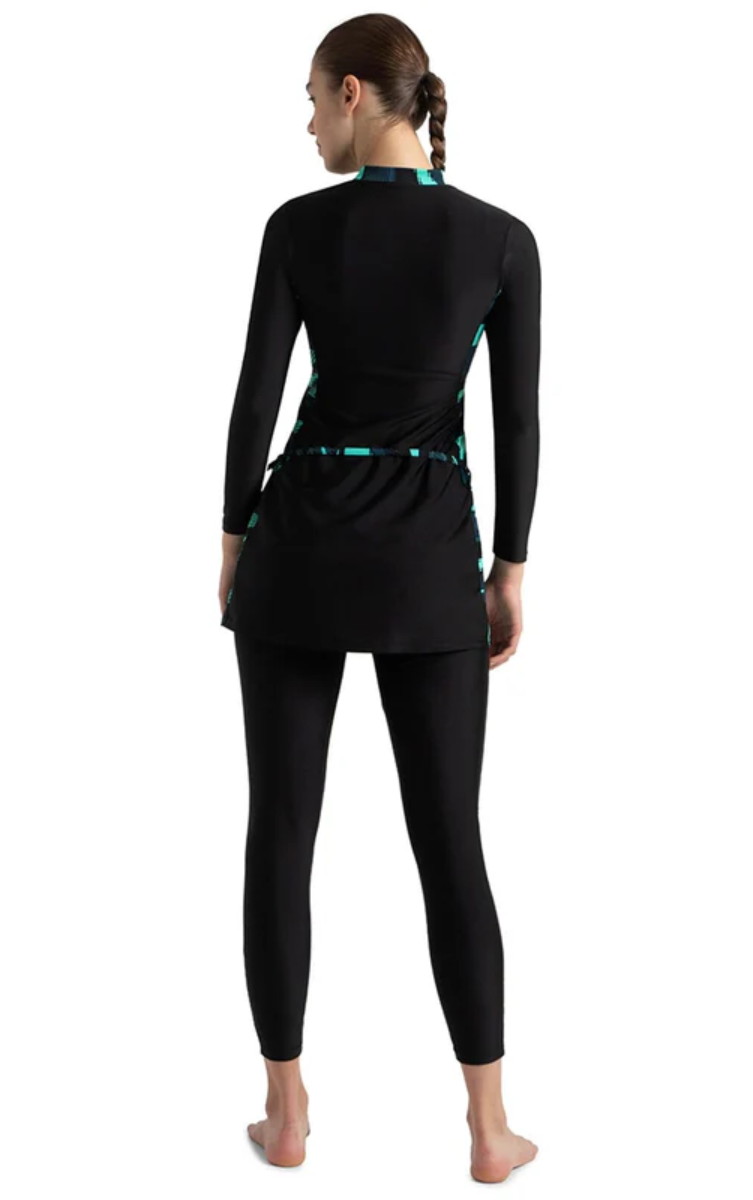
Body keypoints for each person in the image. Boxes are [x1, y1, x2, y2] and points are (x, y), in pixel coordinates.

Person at [218, 14, 540, 1183]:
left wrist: (234, 542)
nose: (308, 124)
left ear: (355, 93)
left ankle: (286, 1115)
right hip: (428, 565)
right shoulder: (502, 241)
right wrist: (509, 569)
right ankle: (489, 1130)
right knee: (451, 840)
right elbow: (519, 422)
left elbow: (256, 398)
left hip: (298, 554)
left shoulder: (297, 228)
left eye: (313, 99)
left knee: (280, 833)